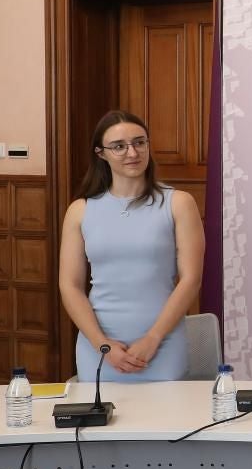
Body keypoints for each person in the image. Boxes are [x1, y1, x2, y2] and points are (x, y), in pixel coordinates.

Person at [58, 110, 206, 382]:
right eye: (119, 146)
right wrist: (103, 345)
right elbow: (70, 286)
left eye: (140, 142)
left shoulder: (179, 203)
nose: (132, 152)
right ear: (100, 153)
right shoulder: (80, 211)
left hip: (163, 343)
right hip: (98, 347)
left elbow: (191, 279)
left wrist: (153, 338)